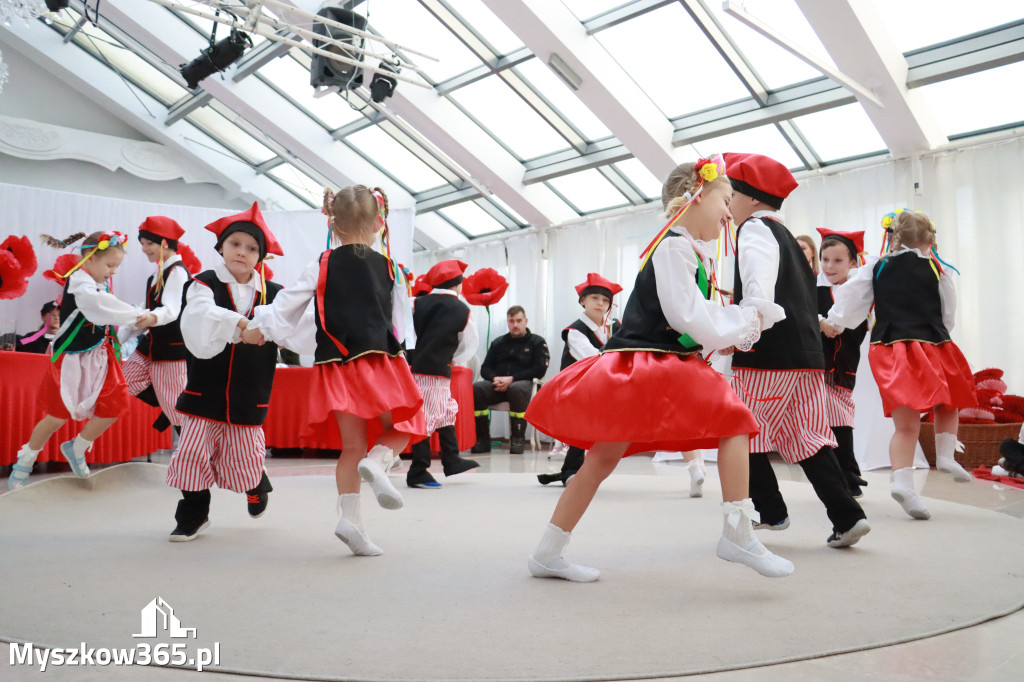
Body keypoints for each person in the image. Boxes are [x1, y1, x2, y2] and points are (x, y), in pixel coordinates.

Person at [525, 155, 793, 582]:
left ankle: (546, 552)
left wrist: (730, 327)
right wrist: (745, 320)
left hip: (650, 361)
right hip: (647, 362)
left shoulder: (686, 249)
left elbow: (690, 319)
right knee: (735, 422)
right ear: (696, 196)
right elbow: (688, 315)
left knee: (602, 459)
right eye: (725, 200)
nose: (729, 213)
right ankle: (737, 535)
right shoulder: (674, 246)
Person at [247, 185, 426, 556]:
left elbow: (287, 305)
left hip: (335, 366)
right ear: (379, 223)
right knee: (408, 424)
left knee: (352, 446)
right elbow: (400, 323)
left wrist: (261, 327)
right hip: (379, 360)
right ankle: (379, 462)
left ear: (332, 223)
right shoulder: (391, 268)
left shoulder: (322, 263)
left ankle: (351, 521)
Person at [725, 152, 869, 549]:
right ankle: (848, 516)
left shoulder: (753, 229)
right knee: (809, 436)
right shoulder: (787, 236)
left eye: (731, 194)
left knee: (739, 430)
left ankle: (771, 511)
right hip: (807, 357)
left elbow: (758, 290)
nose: (727, 204)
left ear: (752, 198)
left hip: (766, 355)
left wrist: (742, 332)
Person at [822, 209, 976, 520]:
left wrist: (834, 323)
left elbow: (851, 303)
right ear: (930, 240)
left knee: (905, 426)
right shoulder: (938, 268)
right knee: (949, 401)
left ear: (891, 238)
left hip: (890, 348)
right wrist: (938, 332)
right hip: (932, 344)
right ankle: (945, 455)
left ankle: (903, 482)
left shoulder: (876, 266)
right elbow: (948, 312)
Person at [164, 204, 281, 541]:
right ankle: (194, 514)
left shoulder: (275, 293)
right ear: (221, 246)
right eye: (235, 244)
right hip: (205, 385)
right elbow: (201, 314)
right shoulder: (202, 284)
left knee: (244, 454)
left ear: (261, 256)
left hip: (251, 387)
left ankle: (256, 483)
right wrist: (243, 325)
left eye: (252, 248)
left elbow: (291, 327)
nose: (242, 252)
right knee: (192, 453)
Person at [8, 232, 152, 490]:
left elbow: (109, 309)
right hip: (72, 357)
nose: (113, 271)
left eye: (117, 266)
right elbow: (98, 306)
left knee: (115, 406)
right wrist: (137, 315)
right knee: (57, 416)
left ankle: (77, 447)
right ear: (90, 258)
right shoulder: (79, 281)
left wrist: (138, 320)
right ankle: (24, 462)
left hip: (102, 355)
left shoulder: (99, 282)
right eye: (110, 265)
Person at [537, 273, 621, 487]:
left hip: (604, 385)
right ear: (583, 301)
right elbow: (594, 358)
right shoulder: (575, 331)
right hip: (576, 388)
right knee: (582, 428)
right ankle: (572, 470)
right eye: (595, 298)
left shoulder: (616, 327)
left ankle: (583, 469)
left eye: (605, 300)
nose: (600, 303)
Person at [405, 259, 480, 489]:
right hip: (438, 369)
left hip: (417, 366)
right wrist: (452, 357)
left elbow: (407, 333)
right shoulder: (463, 310)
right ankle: (418, 469)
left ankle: (451, 458)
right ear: (458, 284)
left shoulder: (416, 303)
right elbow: (469, 344)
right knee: (427, 417)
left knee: (445, 411)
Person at [122, 217, 191, 436]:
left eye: (149, 243)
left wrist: (150, 317)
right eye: (142, 244)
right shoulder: (156, 275)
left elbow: (172, 309)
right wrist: (119, 337)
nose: (144, 249)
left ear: (165, 242)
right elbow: (147, 311)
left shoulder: (177, 272)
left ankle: (191, 447)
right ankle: (167, 404)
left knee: (179, 416)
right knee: (127, 380)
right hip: (151, 345)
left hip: (172, 349)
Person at [816, 227, 869, 498]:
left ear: (853, 263)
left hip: (845, 364)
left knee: (841, 415)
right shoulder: (813, 288)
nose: (829, 266)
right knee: (834, 417)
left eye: (837, 261)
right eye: (825, 259)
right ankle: (847, 474)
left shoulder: (859, 291)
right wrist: (819, 322)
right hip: (817, 364)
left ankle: (847, 474)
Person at [471, 306, 549, 454]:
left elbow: (539, 369)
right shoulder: (498, 343)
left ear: (526, 321)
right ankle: (482, 439)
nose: (515, 325)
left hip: (524, 386)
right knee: (477, 388)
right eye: (511, 321)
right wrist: (495, 378)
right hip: (498, 386)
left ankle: (517, 439)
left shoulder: (537, 342)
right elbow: (485, 368)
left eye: (519, 321)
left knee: (516, 388)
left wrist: (512, 379)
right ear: (507, 322)